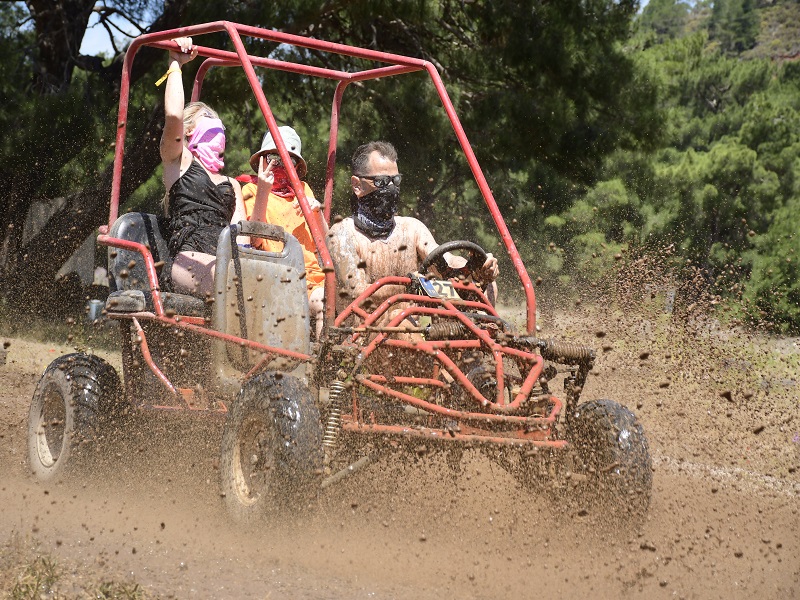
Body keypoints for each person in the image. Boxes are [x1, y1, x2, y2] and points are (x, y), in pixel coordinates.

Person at [327, 140, 499, 318]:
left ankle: (487, 340)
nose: (391, 189)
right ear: (357, 185)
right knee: (399, 319)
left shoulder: (411, 228)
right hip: (359, 336)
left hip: (412, 332)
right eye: (382, 182)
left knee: (486, 288)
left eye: (395, 180)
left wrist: (477, 268)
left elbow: (446, 262)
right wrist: (410, 285)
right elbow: (357, 293)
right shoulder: (341, 234)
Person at [158, 36, 246, 297]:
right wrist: (175, 62)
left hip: (224, 264)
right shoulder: (179, 160)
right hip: (189, 260)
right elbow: (173, 115)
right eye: (207, 118)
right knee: (229, 286)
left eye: (218, 120)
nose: (216, 123)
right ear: (187, 130)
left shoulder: (233, 185)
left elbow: (241, 236)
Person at [238, 126, 327, 337]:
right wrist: (263, 191)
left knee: (328, 301)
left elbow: (326, 242)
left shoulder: (303, 190)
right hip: (271, 279)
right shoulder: (250, 190)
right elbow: (255, 239)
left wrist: (318, 212)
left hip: (308, 281)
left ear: (296, 166)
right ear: (262, 161)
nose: (279, 165)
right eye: (274, 158)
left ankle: (326, 364)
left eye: (288, 160)